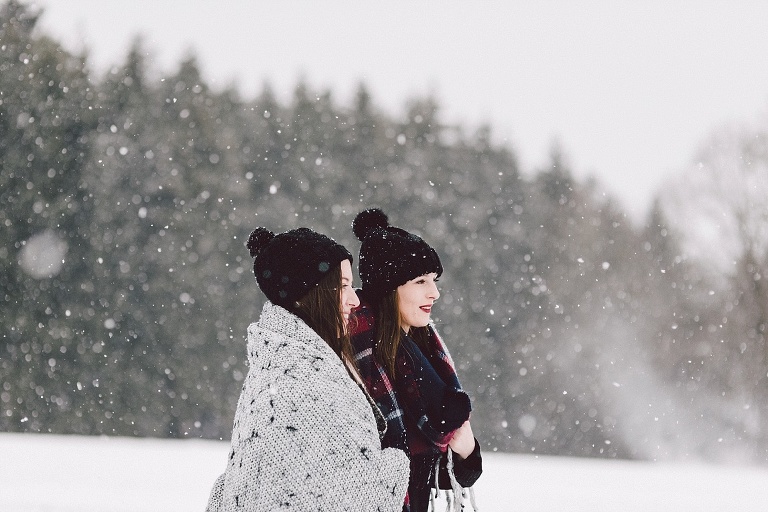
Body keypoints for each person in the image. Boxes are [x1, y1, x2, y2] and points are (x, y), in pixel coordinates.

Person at [206, 226, 410, 512]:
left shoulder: (275, 367)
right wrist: (394, 464)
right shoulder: (307, 383)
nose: (354, 300)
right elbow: (352, 497)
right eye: (342, 286)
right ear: (307, 294)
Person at [350, 208, 482, 512]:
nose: (434, 292)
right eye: (421, 281)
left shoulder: (425, 353)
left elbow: (440, 476)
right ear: (388, 288)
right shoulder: (359, 358)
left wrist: (467, 452)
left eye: (434, 280)